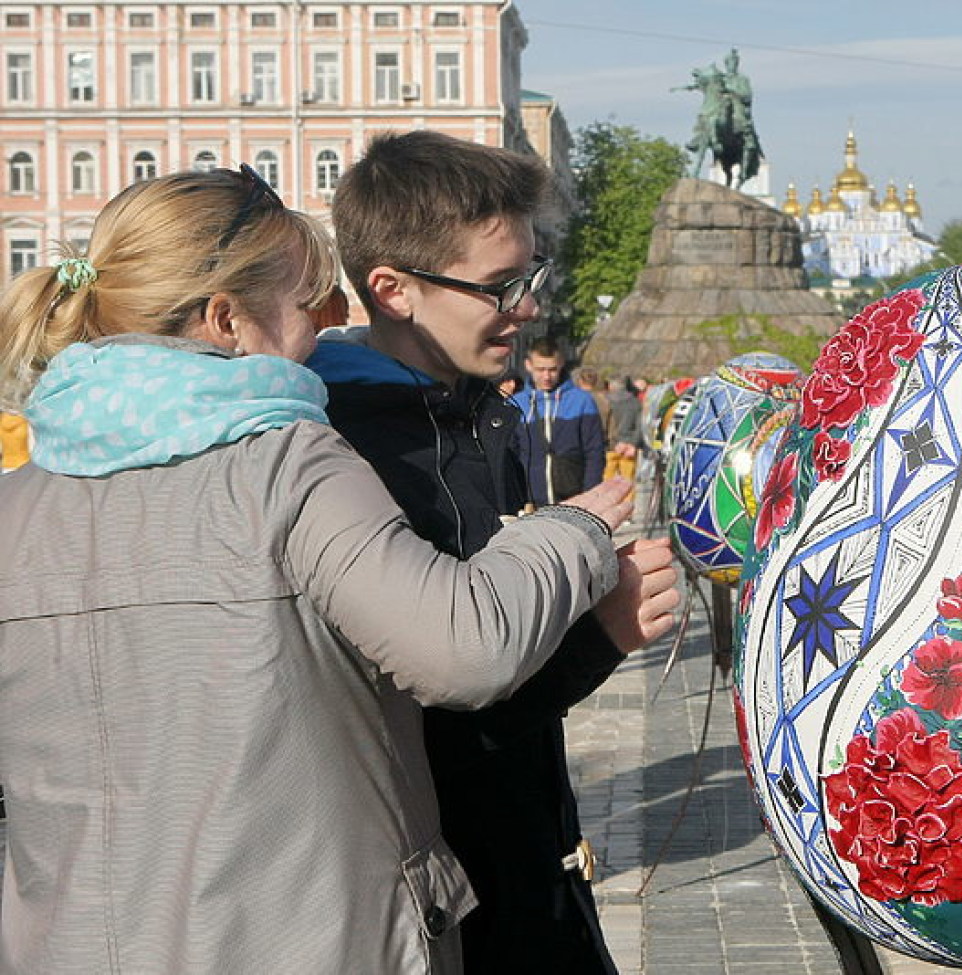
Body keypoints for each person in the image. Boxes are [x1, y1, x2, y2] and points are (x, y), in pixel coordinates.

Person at [0, 166, 675, 972]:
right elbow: (463, 652)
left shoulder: (20, 502)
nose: (327, 325)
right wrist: (573, 534)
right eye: (309, 300)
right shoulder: (291, 462)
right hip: (305, 936)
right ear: (226, 320)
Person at [308, 130, 677, 974]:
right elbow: (433, 726)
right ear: (393, 290)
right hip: (450, 908)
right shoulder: (352, 459)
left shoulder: (472, 411)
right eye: (499, 287)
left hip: (529, 865)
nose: (527, 308)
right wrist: (603, 634)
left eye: (530, 276)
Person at [514, 334, 606, 505]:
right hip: (529, 500)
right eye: (540, 370)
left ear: (562, 363)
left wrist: (589, 496)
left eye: (552, 369)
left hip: (573, 497)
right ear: (528, 366)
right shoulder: (516, 404)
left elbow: (594, 452)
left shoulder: (582, 401)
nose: (547, 376)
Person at [604, 376, 642, 499]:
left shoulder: (606, 401)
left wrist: (614, 442)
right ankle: (627, 513)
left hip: (610, 446)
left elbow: (606, 424)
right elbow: (640, 425)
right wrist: (633, 444)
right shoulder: (635, 402)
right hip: (629, 447)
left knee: (606, 480)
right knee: (627, 482)